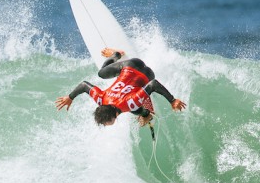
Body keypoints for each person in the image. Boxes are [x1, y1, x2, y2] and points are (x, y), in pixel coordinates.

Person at [55, 48, 186, 128]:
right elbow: (84, 85)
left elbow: (154, 84)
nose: (106, 125)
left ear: (113, 118)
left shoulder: (131, 104)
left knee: (134, 110)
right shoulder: (101, 99)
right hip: (131, 63)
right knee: (101, 74)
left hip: (148, 74)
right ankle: (146, 114)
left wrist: (172, 100)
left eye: (106, 123)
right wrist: (70, 97)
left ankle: (116, 54)